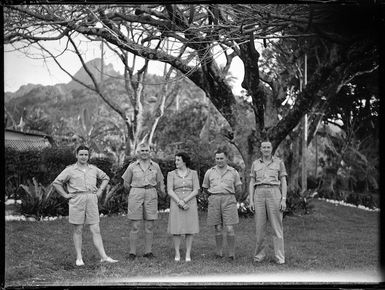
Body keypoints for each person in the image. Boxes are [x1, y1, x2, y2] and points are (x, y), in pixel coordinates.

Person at [53, 145, 118, 266]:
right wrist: (65, 195)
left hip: (92, 199)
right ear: (76, 155)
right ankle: (79, 258)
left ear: (88, 156)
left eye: (86, 155)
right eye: (81, 154)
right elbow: (57, 183)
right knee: (78, 229)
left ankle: (104, 257)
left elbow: (105, 178)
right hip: (77, 200)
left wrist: (100, 191)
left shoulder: (93, 169)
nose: (83, 157)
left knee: (96, 229)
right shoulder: (70, 170)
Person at [121, 143, 165, 260]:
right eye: (142, 150)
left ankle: (148, 252)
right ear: (138, 152)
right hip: (136, 193)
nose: (144, 152)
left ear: (149, 152)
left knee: (149, 225)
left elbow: (160, 182)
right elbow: (125, 183)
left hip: (151, 193)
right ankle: (132, 253)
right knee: (135, 225)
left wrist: (162, 192)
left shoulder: (155, 166)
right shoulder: (132, 166)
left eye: (146, 150)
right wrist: (134, 192)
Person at [248, 140, 287, 264]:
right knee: (260, 228)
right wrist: (251, 199)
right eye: (264, 147)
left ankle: (280, 257)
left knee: (277, 227)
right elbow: (251, 182)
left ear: (272, 148)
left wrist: (284, 199)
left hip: (274, 192)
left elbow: (284, 181)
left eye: (268, 147)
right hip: (259, 193)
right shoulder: (255, 163)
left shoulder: (279, 162)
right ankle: (259, 256)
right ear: (260, 149)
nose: (266, 149)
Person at [202, 147, 242, 261]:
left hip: (229, 200)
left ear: (226, 159)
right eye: (217, 158)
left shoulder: (233, 172)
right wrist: (213, 195)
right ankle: (219, 252)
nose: (219, 160)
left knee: (229, 228)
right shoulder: (209, 172)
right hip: (214, 199)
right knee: (218, 228)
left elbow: (239, 188)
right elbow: (205, 187)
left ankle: (231, 253)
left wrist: (232, 197)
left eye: (221, 158)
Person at [167, 152, 200, 262]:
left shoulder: (193, 173)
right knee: (176, 228)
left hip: (190, 202)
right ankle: (177, 253)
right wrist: (179, 201)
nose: (176, 162)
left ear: (184, 161)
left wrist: (185, 201)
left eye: (178, 160)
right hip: (176, 202)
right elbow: (170, 190)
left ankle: (188, 254)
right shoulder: (171, 174)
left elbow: (196, 190)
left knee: (189, 229)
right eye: (175, 160)